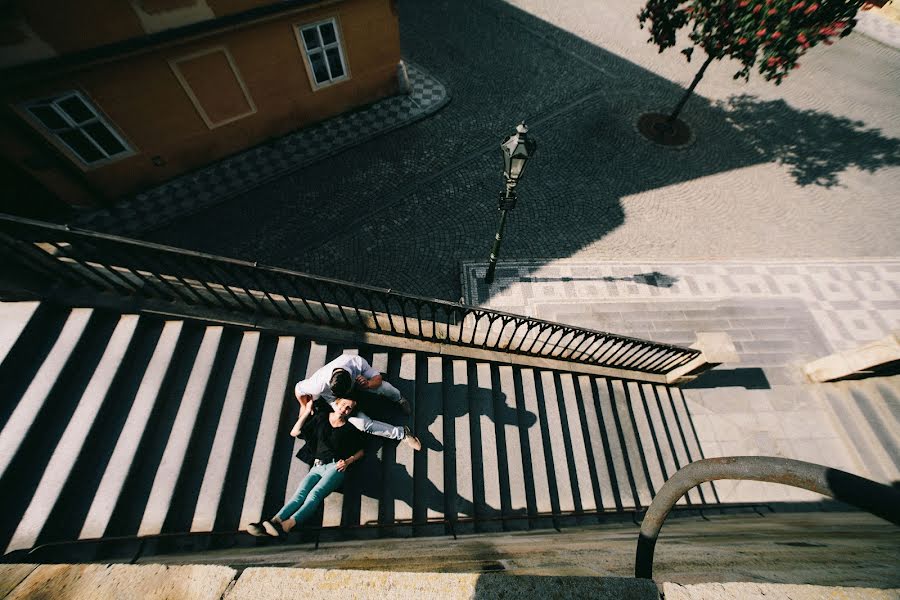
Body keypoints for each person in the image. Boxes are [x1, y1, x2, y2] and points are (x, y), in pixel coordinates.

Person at [247, 397, 365, 538]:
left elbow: (361, 451)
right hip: (316, 466)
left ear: (351, 411)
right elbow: (295, 432)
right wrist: (307, 411)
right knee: (299, 494)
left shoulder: (349, 428)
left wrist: (348, 461)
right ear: (337, 404)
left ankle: (288, 525)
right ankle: (274, 522)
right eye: (343, 405)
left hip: (335, 467)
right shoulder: (321, 418)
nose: (345, 409)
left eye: (349, 408)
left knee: (315, 494)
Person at [293, 354, 421, 450]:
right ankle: (403, 433)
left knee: (384, 387)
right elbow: (299, 388)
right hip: (336, 401)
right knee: (361, 424)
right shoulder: (317, 384)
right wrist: (304, 406)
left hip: (358, 387)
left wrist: (368, 384)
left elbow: (378, 379)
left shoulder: (355, 362)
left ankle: (399, 399)